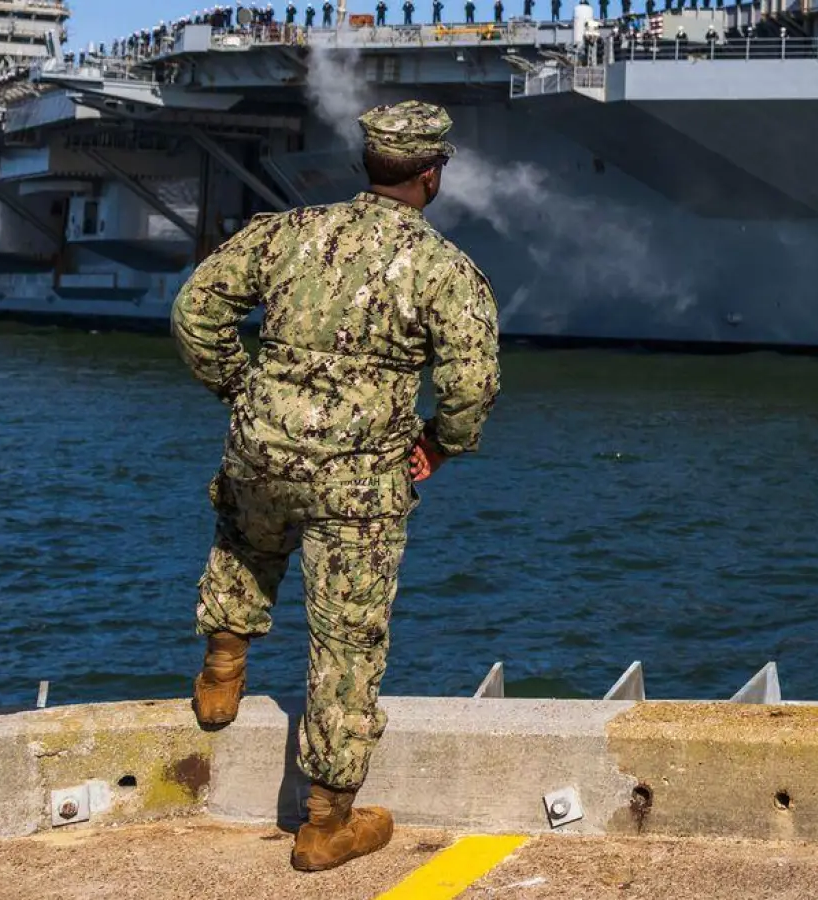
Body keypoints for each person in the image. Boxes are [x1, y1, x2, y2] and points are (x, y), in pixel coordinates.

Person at [170, 100, 501, 873]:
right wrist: (440, 445)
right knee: (347, 639)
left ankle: (221, 673)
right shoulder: (445, 268)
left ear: (367, 164)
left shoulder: (287, 231)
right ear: (432, 175)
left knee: (245, 541)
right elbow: (472, 384)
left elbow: (195, 311)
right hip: (360, 478)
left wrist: (242, 390)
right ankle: (327, 824)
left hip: (263, 448)